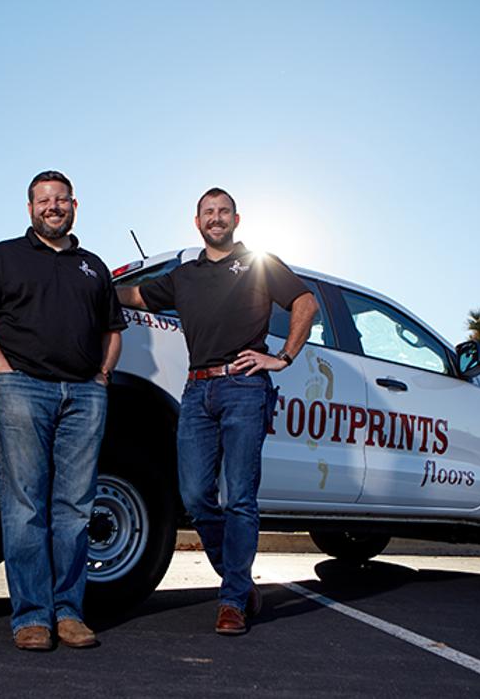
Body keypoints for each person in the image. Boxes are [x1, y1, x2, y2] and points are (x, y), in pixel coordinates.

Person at [117, 188, 318, 635]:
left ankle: (231, 603)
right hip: (196, 390)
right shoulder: (183, 277)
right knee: (193, 495)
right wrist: (87, 285)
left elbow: (306, 303)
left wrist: (282, 356)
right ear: (197, 222)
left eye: (223, 211)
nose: (216, 218)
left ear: (236, 219)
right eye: (208, 212)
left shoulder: (260, 265)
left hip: (245, 388)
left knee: (241, 498)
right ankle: (238, 579)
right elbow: (132, 297)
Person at [0, 171, 125, 651]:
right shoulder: (5, 255)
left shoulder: (93, 266)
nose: (52, 207)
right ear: (29, 207)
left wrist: (102, 375)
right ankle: (32, 615)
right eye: (43, 200)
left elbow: (113, 328)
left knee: (74, 509)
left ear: (74, 205)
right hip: (22, 390)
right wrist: (2, 370)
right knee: (25, 506)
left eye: (60, 199)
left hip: (84, 395)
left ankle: (69, 612)